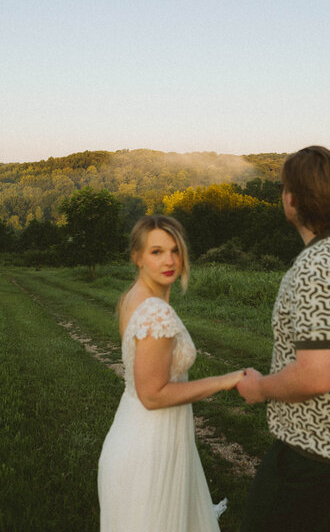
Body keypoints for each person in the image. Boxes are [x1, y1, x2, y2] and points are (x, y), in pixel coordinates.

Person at [237, 146, 330, 532]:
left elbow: (316, 376)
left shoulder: (317, 268)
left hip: (315, 453)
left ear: (291, 199)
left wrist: (260, 388)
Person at [98, 214, 243, 532]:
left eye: (175, 250)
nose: (169, 260)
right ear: (136, 256)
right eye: (156, 251)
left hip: (135, 430)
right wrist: (225, 380)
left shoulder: (133, 298)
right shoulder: (155, 312)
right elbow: (152, 394)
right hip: (149, 449)